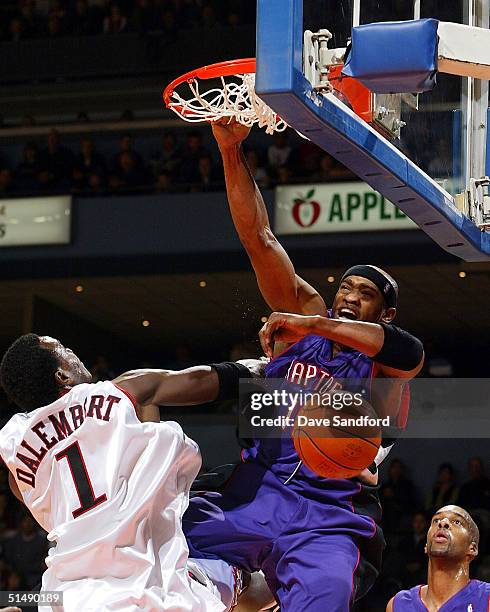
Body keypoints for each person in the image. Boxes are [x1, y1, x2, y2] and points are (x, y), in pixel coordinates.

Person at [183, 120, 424, 611]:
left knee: (326, 596)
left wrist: (313, 326)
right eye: (347, 288)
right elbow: (260, 238)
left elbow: (405, 353)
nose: (351, 297)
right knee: (168, 550)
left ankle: (260, 591)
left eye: (367, 294)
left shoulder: (386, 366)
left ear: (386, 313)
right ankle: (239, 591)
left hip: (329, 507)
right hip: (260, 487)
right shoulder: (305, 320)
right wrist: (231, 152)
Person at [0, 333, 262, 611]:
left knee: (19, 599)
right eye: (63, 349)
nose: (72, 350)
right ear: (62, 377)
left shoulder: (16, 457)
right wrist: (261, 367)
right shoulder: (116, 392)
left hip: (70, 595)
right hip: (147, 585)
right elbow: (200, 380)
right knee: (261, 578)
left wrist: (18, 602)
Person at [387, 505, 490, 611]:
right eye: (436, 521)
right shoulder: (398, 604)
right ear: (426, 546)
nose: (442, 523)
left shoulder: (486, 598)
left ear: (472, 548)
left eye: (457, 522)